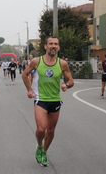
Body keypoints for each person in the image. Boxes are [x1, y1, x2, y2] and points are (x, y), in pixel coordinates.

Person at [22, 36, 74, 167]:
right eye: (51, 44)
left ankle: (44, 152)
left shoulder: (62, 63)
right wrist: (29, 90)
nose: (53, 46)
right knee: (41, 129)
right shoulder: (36, 61)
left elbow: (71, 81)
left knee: (50, 130)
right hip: (40, 99)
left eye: (56, 44)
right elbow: (24, 74)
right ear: (45, 46)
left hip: (55, 100)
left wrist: (66, 85)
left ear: (59, 47)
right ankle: (39, 145)